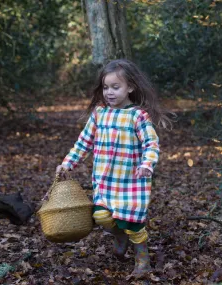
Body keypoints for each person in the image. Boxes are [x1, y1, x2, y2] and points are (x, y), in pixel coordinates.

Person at [56, 59, 171, 279]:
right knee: (101, 216)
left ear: (130, 87)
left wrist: (147, 164)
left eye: (115, 87)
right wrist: (68, 163)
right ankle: (119, 235)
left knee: (133, 223)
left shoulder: (138, 116)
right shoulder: (99, 114)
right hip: (105, 181)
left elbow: (151, 144)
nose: (109, 92)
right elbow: (83, 143)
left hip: (131, 181)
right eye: (106, 87)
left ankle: (142, 261)